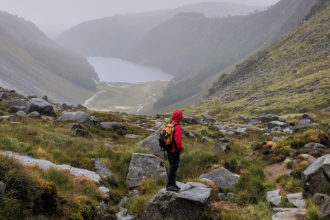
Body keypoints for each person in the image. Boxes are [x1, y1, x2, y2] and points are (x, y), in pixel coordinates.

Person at [166, 110, 184, 192]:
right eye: (181, 115)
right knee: (173, 167)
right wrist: (180, 148)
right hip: (174, 151)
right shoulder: (178, 127)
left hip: (169, 150)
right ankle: (170, 185)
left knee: (172, 167)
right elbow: (178, 142)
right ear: (180, 117)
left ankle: (173, 184)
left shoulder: (170, 125)